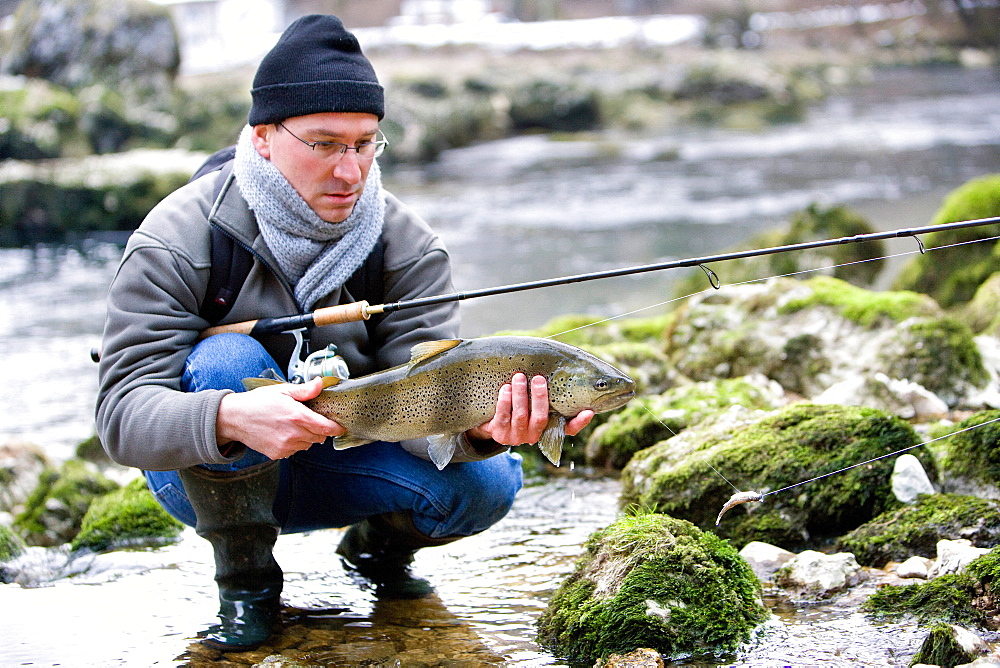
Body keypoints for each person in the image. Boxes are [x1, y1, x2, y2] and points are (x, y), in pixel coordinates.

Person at [95, 14, 593, 653]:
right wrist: (228, 415)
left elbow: (429, 393)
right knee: (224, 360)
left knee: (490, 481)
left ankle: (376, 553)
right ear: (264, 137)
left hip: (349, 454)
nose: (350, 172)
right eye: (326, 143)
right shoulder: (179, 238)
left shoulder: (406, 244)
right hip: (208, 472)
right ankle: (245, 583)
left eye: (365, 144)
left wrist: (477, 428)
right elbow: (119, 416)